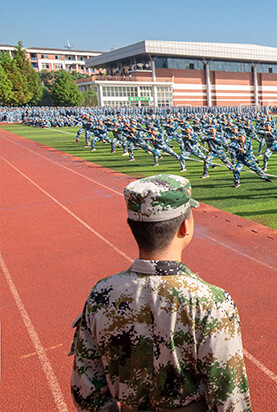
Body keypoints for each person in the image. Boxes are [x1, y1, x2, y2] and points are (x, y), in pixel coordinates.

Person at [70, 174, 251, 411]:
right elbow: (230, 398)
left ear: (132, 226)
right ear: (185, 227)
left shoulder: (101, 295)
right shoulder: (211, 302)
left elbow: (87, 392)